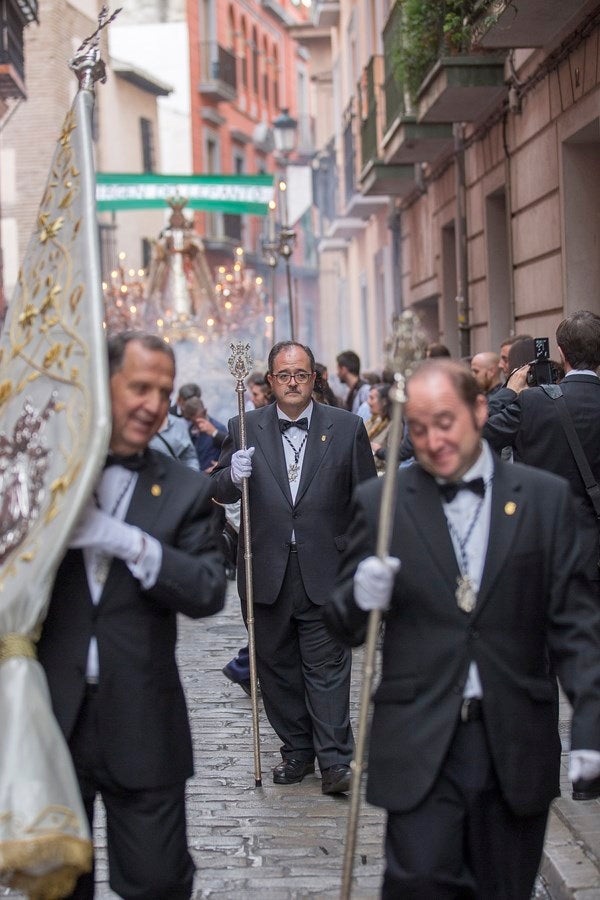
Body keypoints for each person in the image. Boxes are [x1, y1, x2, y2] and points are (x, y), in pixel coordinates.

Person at [324, 358, 600, 899]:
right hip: (419, 738)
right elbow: (341, 624)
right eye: (418, 428)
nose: (432, 441)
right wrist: (359, 593)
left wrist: (591, 723)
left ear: (479, 411)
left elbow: (576, 627)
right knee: (417, 884)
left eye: (444, 422)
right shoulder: (380, 506)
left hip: (514, 739)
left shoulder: (544, 500)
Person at [37, 332, 227, 900]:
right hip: (51, 722)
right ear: (105, 384)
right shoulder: (45, 474)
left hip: (145, 725)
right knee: (56, 891)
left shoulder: (185, 490)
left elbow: (208, 590)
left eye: (164, 392)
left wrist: (127, 541)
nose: (153, 404)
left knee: (157, 885)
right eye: (139, 387)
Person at [212, 340, 376, 794]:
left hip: (327, 568)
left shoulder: (347, 428)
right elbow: (219, 491)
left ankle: (336, 762)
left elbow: (368, 502)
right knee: (278, 670)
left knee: (327, 669)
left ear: (314, 378)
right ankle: (297, 751)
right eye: (283, 375)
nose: (292, 383)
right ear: (269, 381)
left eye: (300, 374)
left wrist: (363, 565)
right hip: (265, 570)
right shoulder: (242, 427)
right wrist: (232, 474)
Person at [483, 310, 600, 649]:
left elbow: (479, 436)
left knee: (541, 661)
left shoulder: (532, 403)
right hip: (594, 551)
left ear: (561, 352)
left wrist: (508, 392)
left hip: (543, 547)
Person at [182, 396, 227, 473]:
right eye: (195, 422)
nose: (199, 425)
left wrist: (214, 432)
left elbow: (229, 447)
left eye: (200, 420)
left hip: (213, 476)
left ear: (205, 412)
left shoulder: (219, 428)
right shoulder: (189, 431)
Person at [365, 383, 392, 473]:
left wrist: (379, 450)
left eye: (372, 398)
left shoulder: (394, 425)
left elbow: (393, 459)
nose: (368, 402)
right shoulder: (373, 420)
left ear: (384, 402)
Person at [336, 349, 371, 414]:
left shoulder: (365, 390)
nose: (337, 374)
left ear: (344, 369)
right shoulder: (352, 392)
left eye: (338, 369)